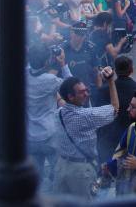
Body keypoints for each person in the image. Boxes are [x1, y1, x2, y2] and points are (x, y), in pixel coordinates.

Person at [52, 69, 119, 200]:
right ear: (71, 97)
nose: (87, 94)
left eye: (86, 90)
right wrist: (111, 81)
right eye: (82, 92)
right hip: (81, 172)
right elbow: (115, 109)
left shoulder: (58, 113)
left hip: (61, 166)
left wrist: (64, 67)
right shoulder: (86, 116)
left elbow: (62, 102)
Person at [26, 43, 72, 190]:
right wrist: (63, 64)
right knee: (57, 172)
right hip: (50, 134)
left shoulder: (24, 75)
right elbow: (73, 85)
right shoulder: (50, 80)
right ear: (47, 61)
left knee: (35, 177)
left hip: (30, 135)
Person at [96, 55, 136, 162]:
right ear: (132, 70)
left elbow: (98, 115)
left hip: (109, 138)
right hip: (134, 138)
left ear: (115, 70)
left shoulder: (103, 90)